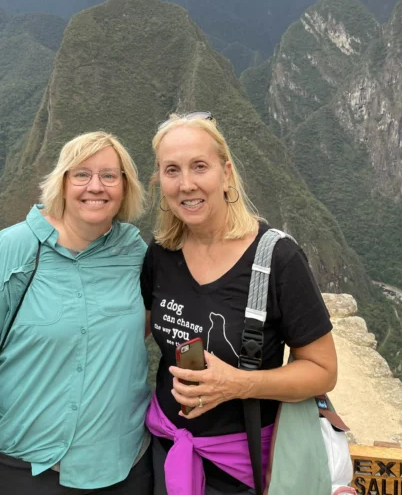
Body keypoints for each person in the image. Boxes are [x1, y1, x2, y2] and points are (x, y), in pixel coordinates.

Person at [0, 131, 153, 495]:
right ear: (61, 182)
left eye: (109, 176)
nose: (96, 186)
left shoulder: (134, 251)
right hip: (29, 471)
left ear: (125, 188)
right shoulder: (12, 251)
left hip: (127, 467)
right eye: (81, 174)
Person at [141, 113, 337, 495]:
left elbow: (323, 371)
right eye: (171, 170)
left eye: (200, 167)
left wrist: (237, 384)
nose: (186, 184)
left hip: (241, 467)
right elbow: (132, 329)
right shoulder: (161, 254)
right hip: (164, 450)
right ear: (159, 181)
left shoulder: (278, 258)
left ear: (226, 172)